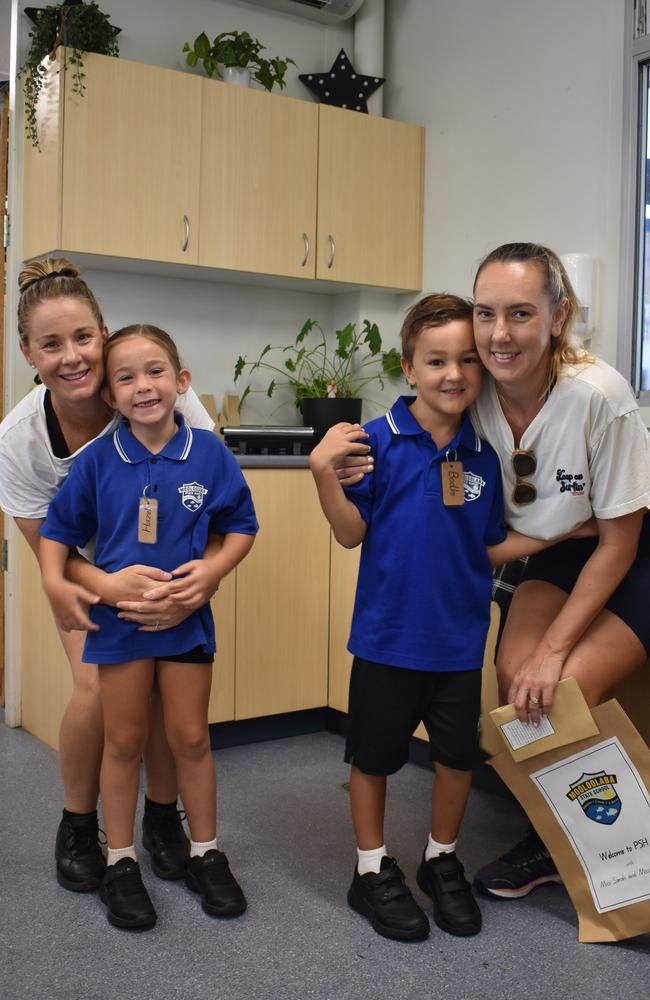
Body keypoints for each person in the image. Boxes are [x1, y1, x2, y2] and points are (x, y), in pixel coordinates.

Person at [338, 243, 650, 903]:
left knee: (560, 682)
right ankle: (551, 838)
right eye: (486, 314)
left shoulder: (602, 396)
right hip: (554, 547)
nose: (499, 334)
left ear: (558, 317)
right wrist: (332, 462)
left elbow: (619, 541)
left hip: (632, 548)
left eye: (520, 314)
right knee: (517, 679)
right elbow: (419, 449)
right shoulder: (473, 392)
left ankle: (612, 866)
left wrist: (558, 646)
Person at [309, 293, 573, 942]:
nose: (453, 374)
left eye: (465, 361)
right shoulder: (375, 442)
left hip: (459, 644)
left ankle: (440, 858)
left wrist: (560, 531)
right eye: (436, 361)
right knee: (373, 760)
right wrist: (321, 474)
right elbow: (349, 534)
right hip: (386, 640)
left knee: (458, 759)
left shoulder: (483, 453)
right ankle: (369, 869)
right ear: (409, 367)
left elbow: (484, 546)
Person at [0, 259, 224, 894]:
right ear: (28, 353)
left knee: (159, 694)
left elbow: (213, 508)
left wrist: (198, 583)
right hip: (81, 574)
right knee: (99, 692)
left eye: (82, 339)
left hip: (172, 572)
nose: (71, 358)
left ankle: (159, 819)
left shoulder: (160, 398)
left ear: (103, 333)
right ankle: (77, 824)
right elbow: (52, 551)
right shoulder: (20, 440)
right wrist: (108, 586)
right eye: (50, 344)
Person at [38, 324, 258, 929]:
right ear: (110, 395)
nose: (143, 387)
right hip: (120, 628)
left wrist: (211, 571)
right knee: (125, 741)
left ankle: (206, 854)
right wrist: (67, 583)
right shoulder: (98, 462)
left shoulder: (209, 454)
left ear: (182, 382)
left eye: (156, 372)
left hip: (187, 626)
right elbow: (57, 533)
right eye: (126, 378)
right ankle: (120, 861)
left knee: (190, 739)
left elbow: (241, 526)